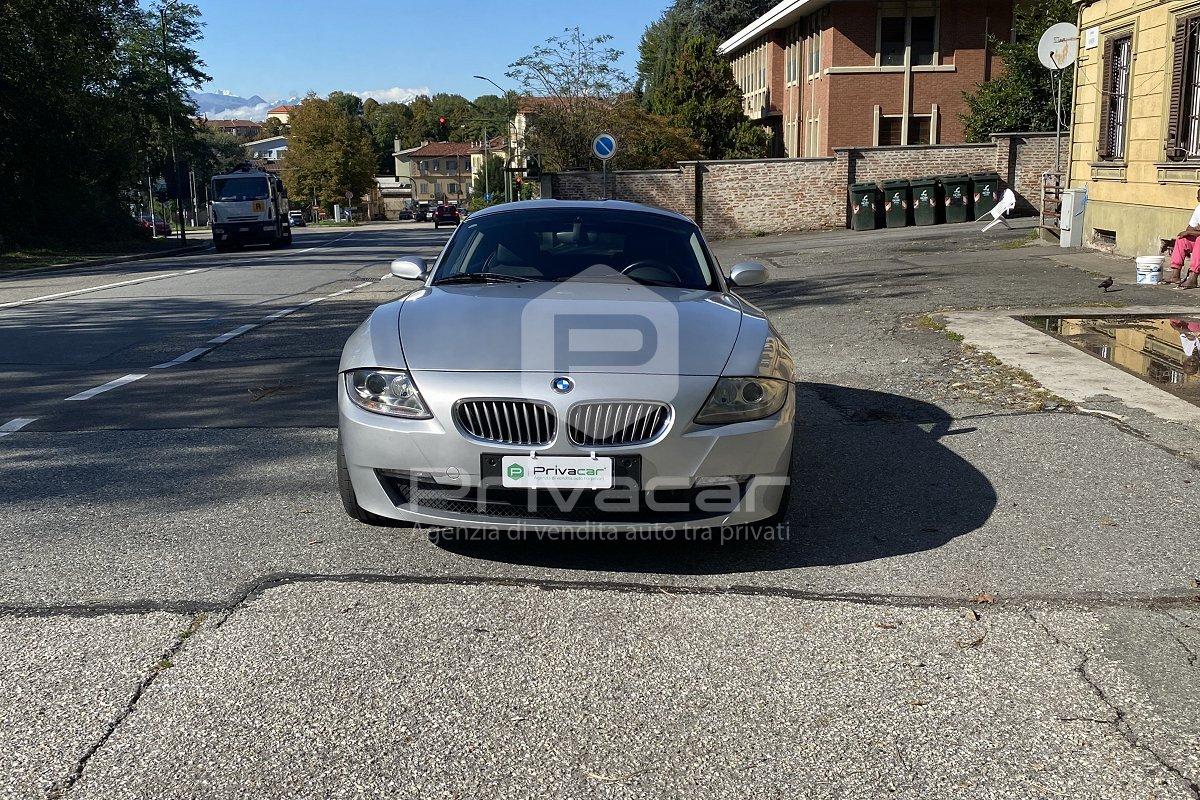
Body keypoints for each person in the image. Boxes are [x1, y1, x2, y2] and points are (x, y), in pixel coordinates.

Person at [1168, 187, 1200, 288]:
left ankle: (1193, 277)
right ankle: (1175, 275)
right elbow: (1189, 227)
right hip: (1196, 236)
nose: (1198, 199)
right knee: (1182, 240)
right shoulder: (1199, 208)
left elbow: (1190, 230)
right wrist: (1193, 231)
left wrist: (1193, 231)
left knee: (1199, 240)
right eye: (1198, 197)